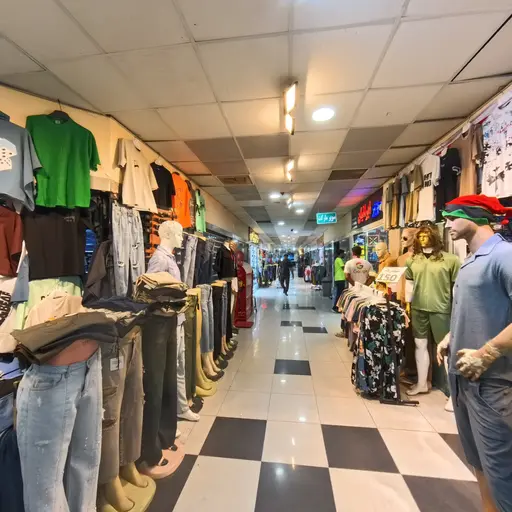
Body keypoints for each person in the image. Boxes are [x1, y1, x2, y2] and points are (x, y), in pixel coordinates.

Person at [437, 195, 512, 512]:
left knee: (501, 471)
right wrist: (452, 335)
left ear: (474, 216)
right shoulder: (471, 260)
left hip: (492, 382)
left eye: (452, 217)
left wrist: (489, 351)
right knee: (479, 462)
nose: (447, 225)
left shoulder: (503, 256)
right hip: (462, 379)